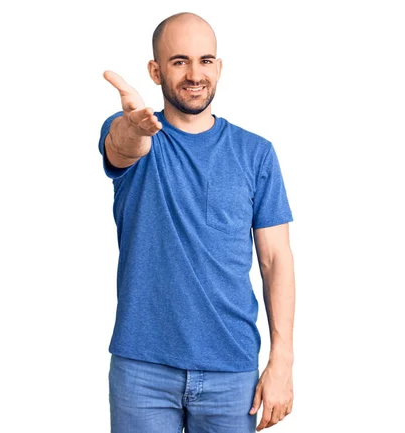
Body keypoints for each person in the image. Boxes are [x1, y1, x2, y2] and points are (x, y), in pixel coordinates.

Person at [99, 12, 295, 432]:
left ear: (219, 68)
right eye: (179, 61)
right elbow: (122, 146)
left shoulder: (256, 153)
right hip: (143, 370)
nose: (194, 74)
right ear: (155, 71)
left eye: (206, 60)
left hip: (233, 370)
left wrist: (282, 360)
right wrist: (134, 128)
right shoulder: (136, 133)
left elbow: (276, 260)